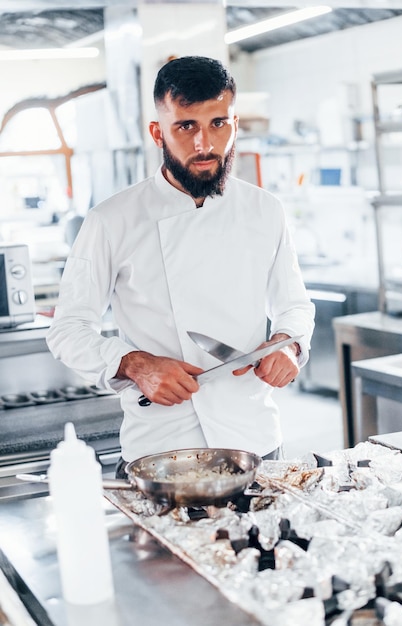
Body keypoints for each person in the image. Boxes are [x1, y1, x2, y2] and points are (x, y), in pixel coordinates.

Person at [46, 56, 315, 477]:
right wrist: (134, 364)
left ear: (235, 124)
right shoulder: (111, 220)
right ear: (158, 132)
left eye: (218, 124)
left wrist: (289, 343)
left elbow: (295, 305)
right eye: (186, 126)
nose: (204, 144)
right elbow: (68, 330)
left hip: (256, 444)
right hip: (161, 449)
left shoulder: (266, 211)